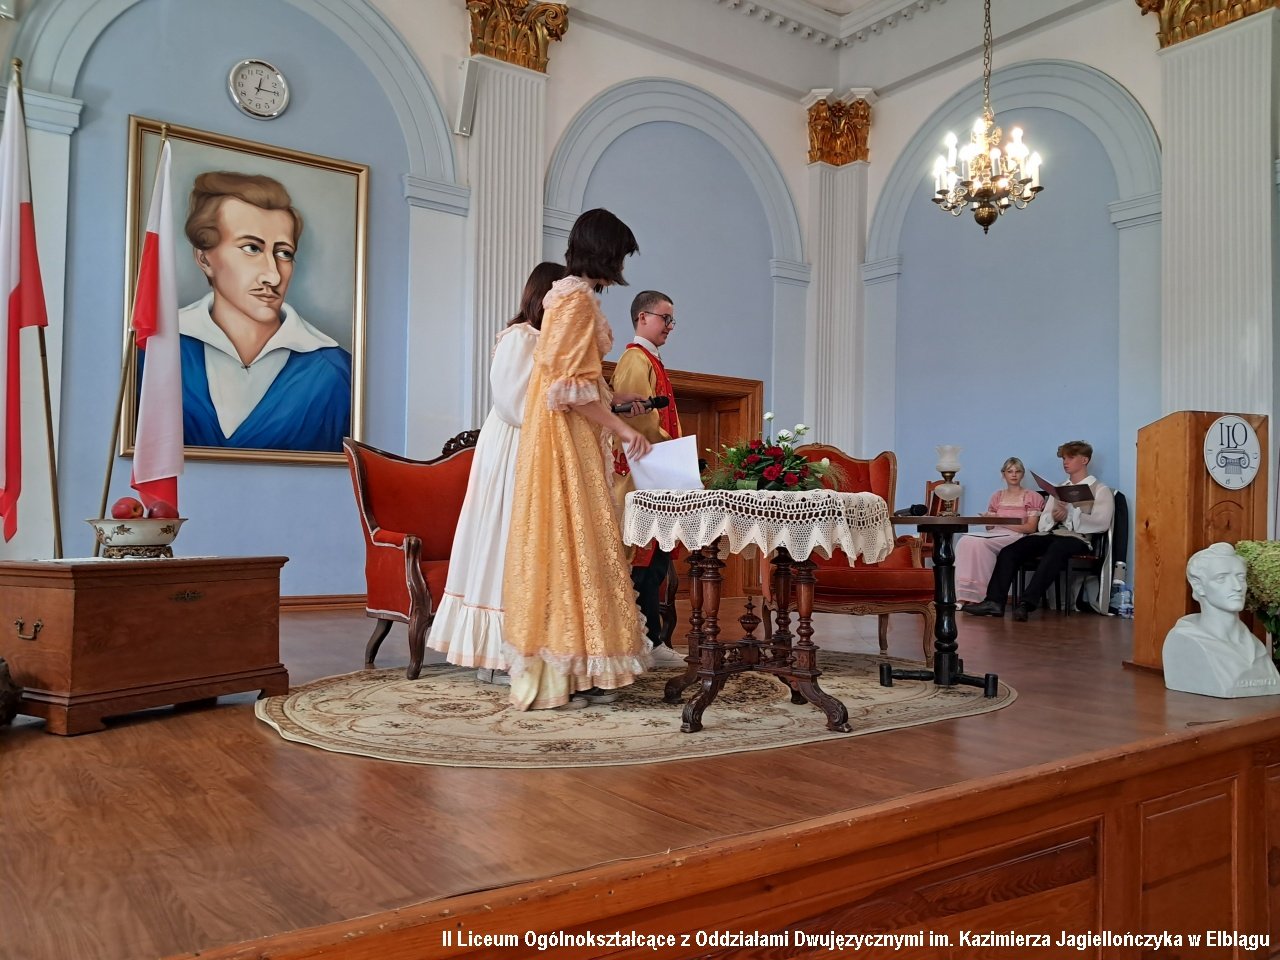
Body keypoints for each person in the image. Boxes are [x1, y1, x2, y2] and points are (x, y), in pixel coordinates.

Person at [502, 209, 654, 711]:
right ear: (607, 252)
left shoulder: (562, 295)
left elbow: (568, 381)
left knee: (563, 541)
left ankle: (568, 670)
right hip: (565, 438)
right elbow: (568, 390)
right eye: (621, 254)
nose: (622, 265)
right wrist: (623, 429)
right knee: (573, 540)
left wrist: (610, 404)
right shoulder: (577, 299)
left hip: (558, 435)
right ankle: (568, 670)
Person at [428, 262, 567, 685]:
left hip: (542, 447)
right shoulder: (519, 337)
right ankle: (496, 655)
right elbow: (512, 402)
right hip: (513, 449)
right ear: (544, 295)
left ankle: (535, 648)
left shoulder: (554, 342)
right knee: (506, 537)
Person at [177, 171, 351, 452]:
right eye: (251, 248)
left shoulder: (335, 372)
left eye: (284, 253)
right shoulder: (155, 352)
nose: (273, 275)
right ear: (204, 258)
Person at [611, 289, 686, 668]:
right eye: (664, 318)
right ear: (642, 318)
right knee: (642, 561)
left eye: (672, 320)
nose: (670, 326)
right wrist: (675, 452)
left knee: (656, 560)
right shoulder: (635, 359)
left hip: (657, 473)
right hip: (641, 477)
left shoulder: (651, 360)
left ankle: (652, 641)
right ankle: (643, 641)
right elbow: (639, 420)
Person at [963, 440, 1114, 621]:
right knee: (1011, 550)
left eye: (1070, 457)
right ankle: (994, 602)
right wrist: (1055, 517)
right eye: (1064, 458)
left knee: (1057, 549)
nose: (1065, 462)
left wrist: (1072, 515)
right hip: (1052, 534)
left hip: (1078, 538)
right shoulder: (1059, 488)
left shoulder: (1100, 489)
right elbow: (1044, 521)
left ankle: (1026, 604)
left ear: (1084, 460)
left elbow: (1102, 522)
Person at [1163, 543, 1280, 698]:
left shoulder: (1256, 646)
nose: (1237, 587)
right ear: (1198, 586)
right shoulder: (1184, 640)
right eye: (1221, 578)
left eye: (1241, 577)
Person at [955, 457, 1044, 606]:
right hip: (995, 534)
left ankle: (984, 596)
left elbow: (1030, 528)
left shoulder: (1032, 497)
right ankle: (965, 595)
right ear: (1003, 474)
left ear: (1022, 474)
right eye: (1010, 471)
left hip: (1016, 537)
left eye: (1018, 471)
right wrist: (989, 519)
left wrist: (1001, 520)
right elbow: (990, 528)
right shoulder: (997, 496)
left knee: (981, 544)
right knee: (966, 540)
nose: (1014, 474)